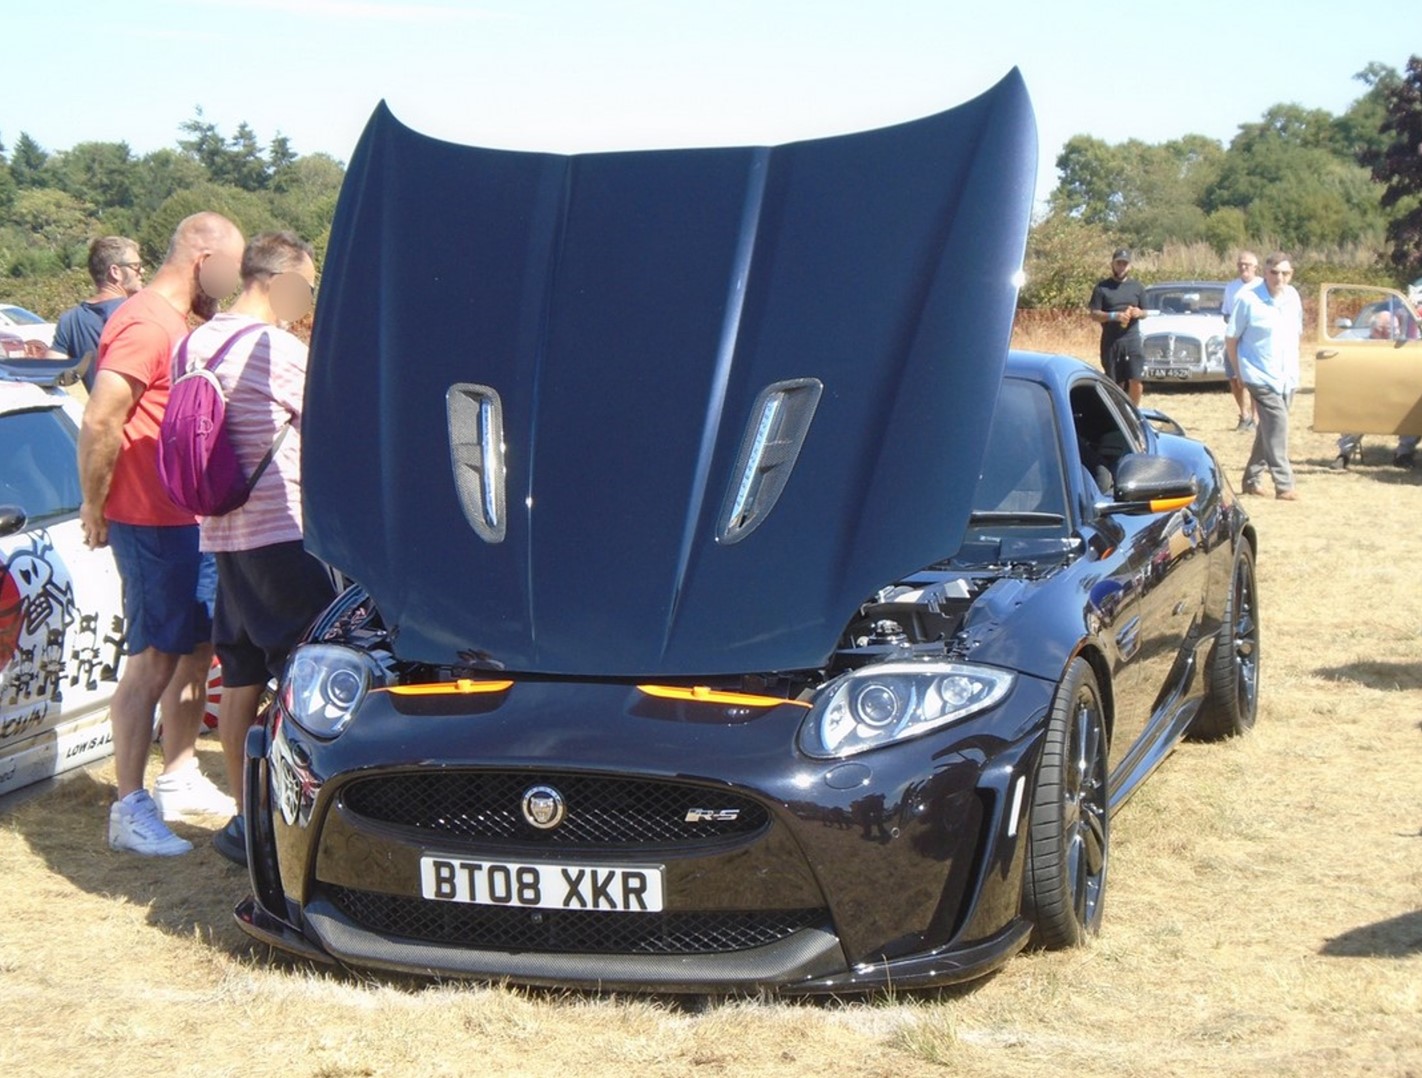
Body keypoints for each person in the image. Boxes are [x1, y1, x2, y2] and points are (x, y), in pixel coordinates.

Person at [78, 211, 246, 856]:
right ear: (203, 259)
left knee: (196, 647)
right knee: (151, 661)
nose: (231, 285)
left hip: (191, 520)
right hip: (149, 521)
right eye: (228, 270)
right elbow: (101, 420)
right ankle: (128, 804)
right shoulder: (145, 322)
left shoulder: (183, 322)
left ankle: (177, 773)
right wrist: (97, 505)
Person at [177, 231, 335, 865]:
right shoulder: (276, 349)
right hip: (282, 533)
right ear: (281, 280)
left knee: (239, 672)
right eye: (308, 284)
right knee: (308, 674)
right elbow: (328, 428)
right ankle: (292, 819)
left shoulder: (195, 342)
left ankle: (247, 816)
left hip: (222, 533)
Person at [1228, 252, 1303, 501]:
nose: (1279, 277)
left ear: (1291, 274)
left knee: (1268, 428)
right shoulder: (1247, 299)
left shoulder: (1293, 297)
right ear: (1265, 272)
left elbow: (1296, 335)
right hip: (1257, 373)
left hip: (1286, 374)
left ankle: (1250, 479)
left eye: (1285, 273)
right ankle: (1284, 484)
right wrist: (1238, 371)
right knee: (1278, 424)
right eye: (1274, 272)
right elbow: (1231, 338)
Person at [48, 237, 144, 391]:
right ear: (116, 272)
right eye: (136, 266)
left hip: (97, 411)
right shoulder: (140, 312)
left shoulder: (70, 320)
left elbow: (52, 374)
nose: (142, 271)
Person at [1329, 310, 1420, 469]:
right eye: (1393, 328)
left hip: (1398, 394)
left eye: (1397, 328)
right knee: (1354, 413)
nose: (1397, 332)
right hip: (1368, 395)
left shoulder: (1404, 346)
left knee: (1412, 414)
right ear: (1379, 330)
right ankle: (1344, 454)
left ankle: (1404, 454)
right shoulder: (1360, 345)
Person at [1088, 248, 1147, 405]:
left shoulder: (1137, 287)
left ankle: (1134, 413)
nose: (1121, 267)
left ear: (1129, 266)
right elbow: (1094, 314)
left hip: (1132, 339)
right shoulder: (1102, 288)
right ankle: (1118, 413)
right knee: (1115, 383)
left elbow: (1146, 312)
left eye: (1124, 264)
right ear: (1112, 265)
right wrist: (1114, 316)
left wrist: (1138, 312)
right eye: (1118, 263)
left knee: (1136, 379)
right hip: (1111, 341)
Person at [1221, 252, 1263, 431]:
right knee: (1234, 379)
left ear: (1255, 266)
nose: (1243, 268)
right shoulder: (1231, 287)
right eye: (1240, 264)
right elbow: (1226, 313)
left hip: (1254, 341)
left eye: (1247, 264)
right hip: (1235, 340)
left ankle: (1255, 417)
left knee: (1253, 379)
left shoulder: (1262, 285)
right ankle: (1243, 415)